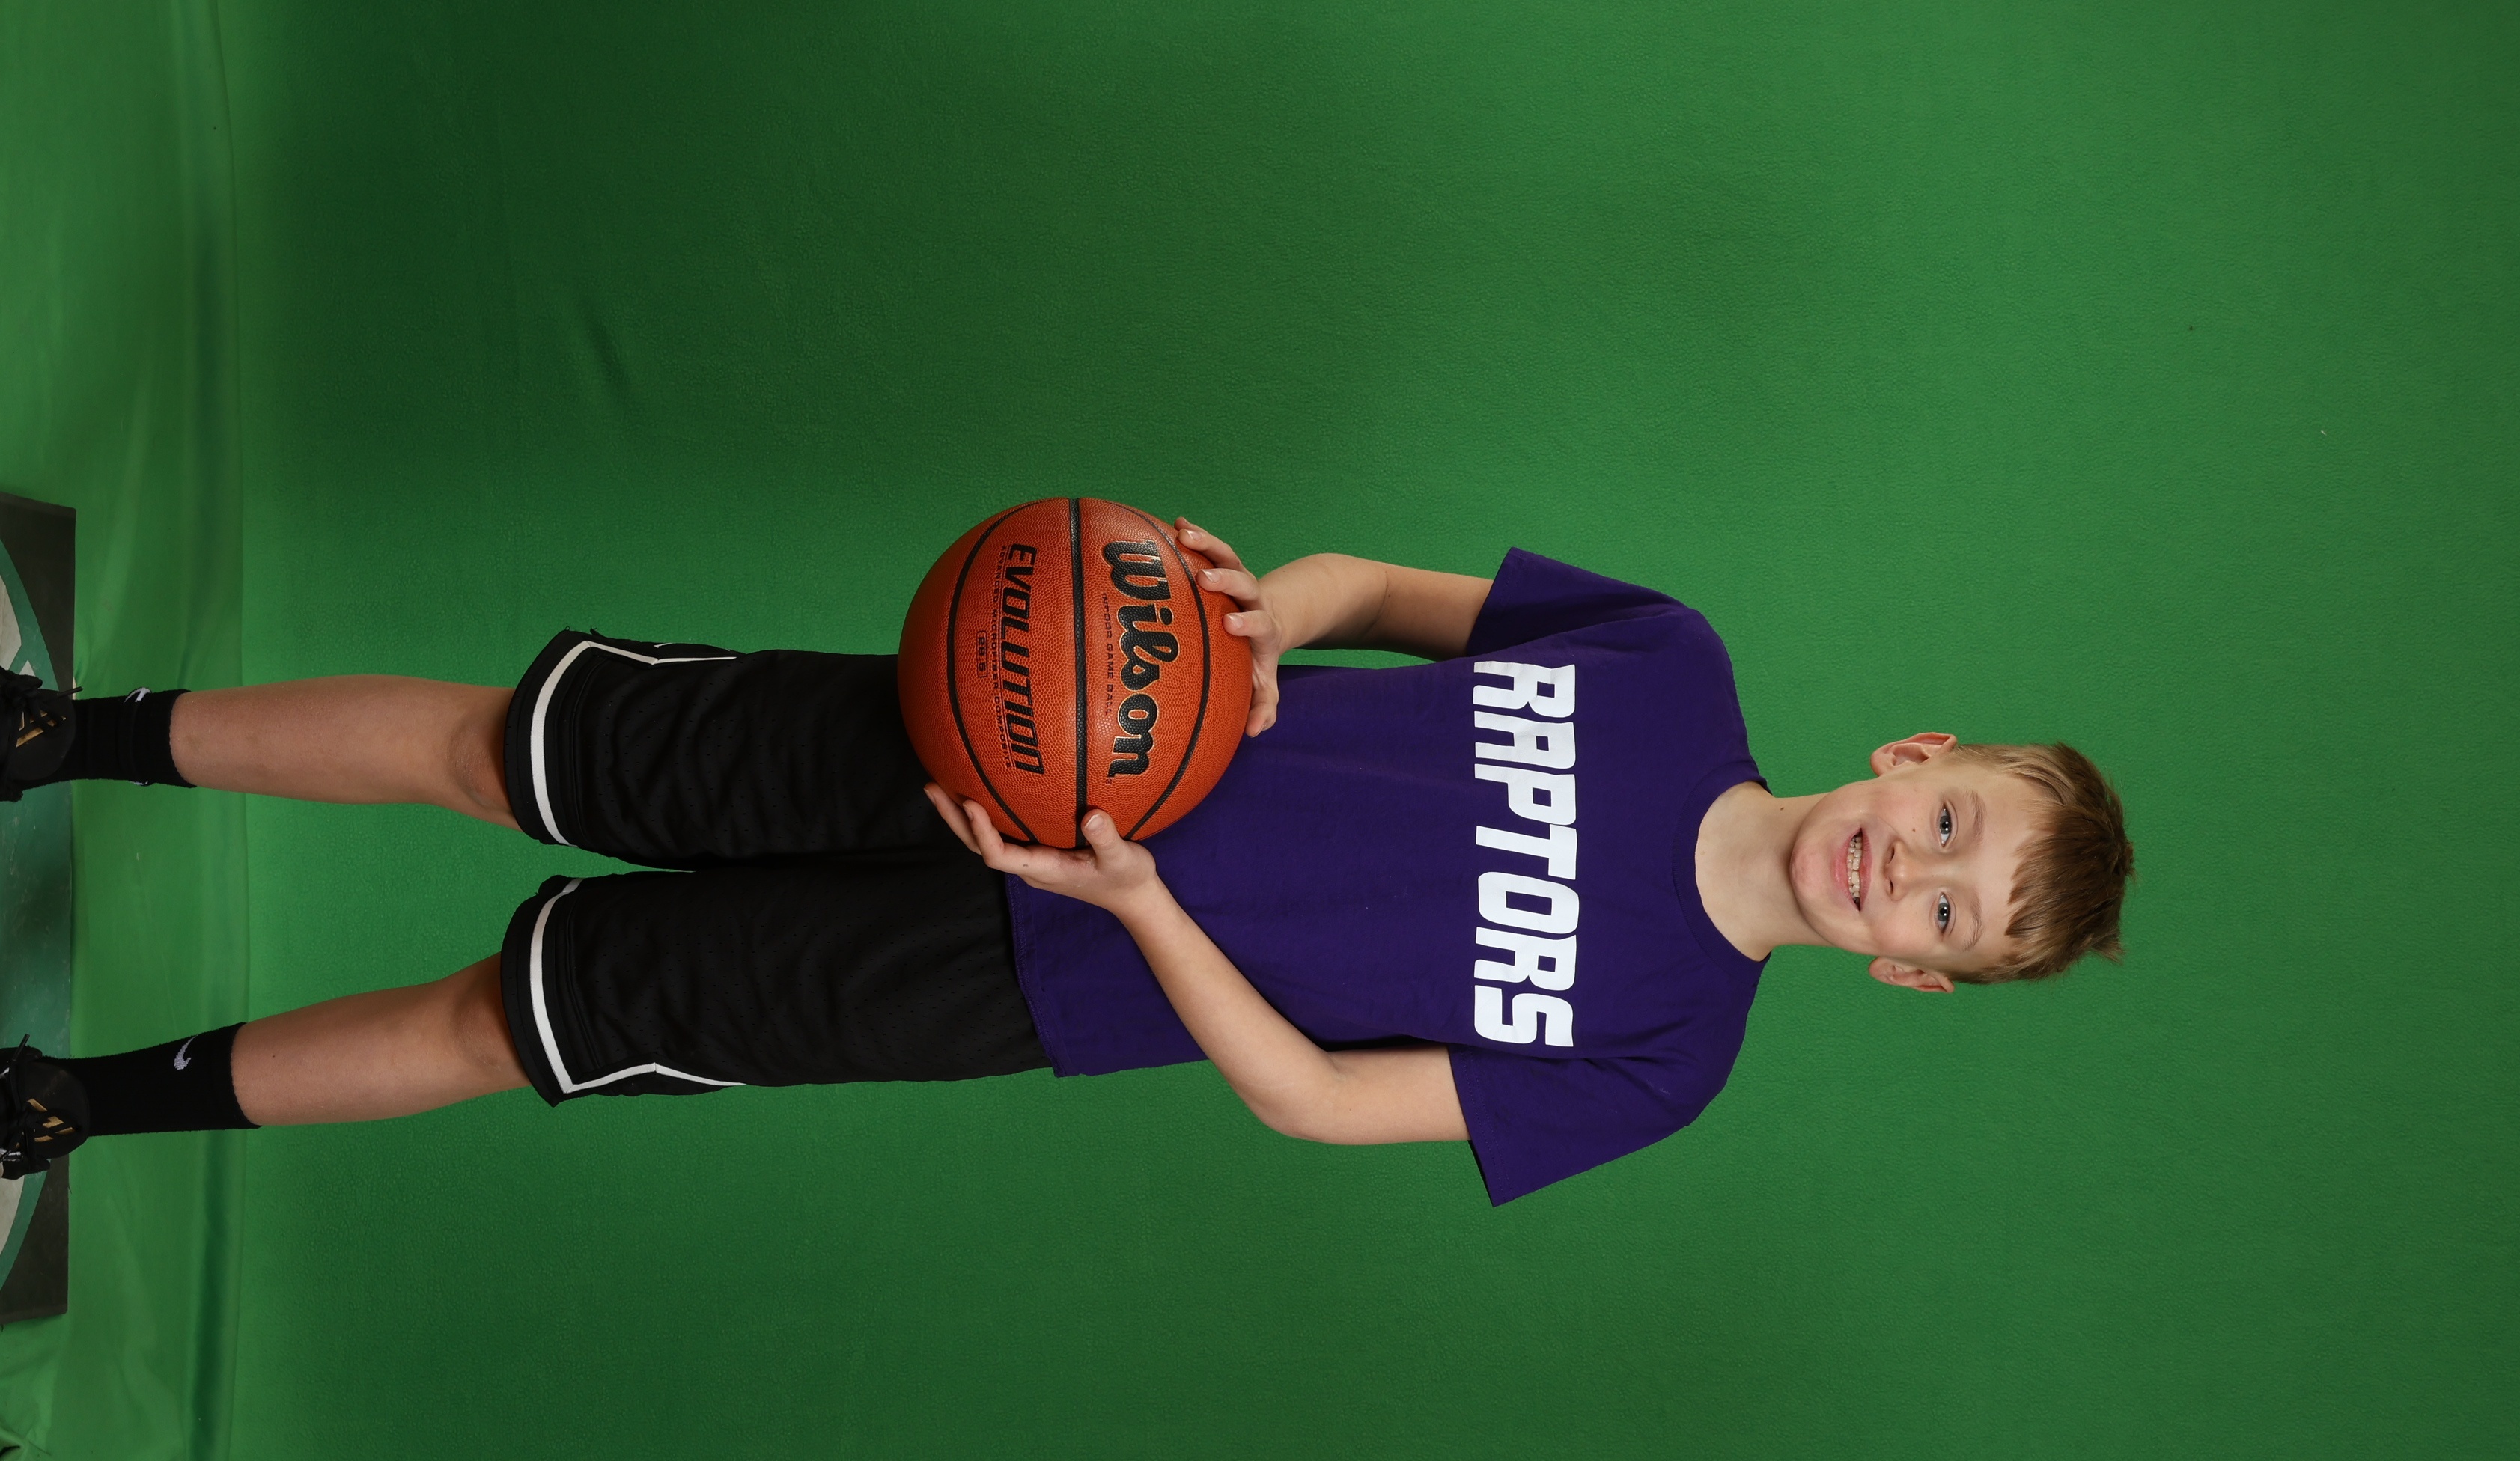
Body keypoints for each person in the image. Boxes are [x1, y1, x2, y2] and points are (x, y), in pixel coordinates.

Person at [0, 525, 2132, 1202]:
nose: (1909, 872)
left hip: (1030, 971)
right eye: (1951, 822)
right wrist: (1257, 617)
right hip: (991, 729)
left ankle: (73, 1104)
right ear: (1917, 751)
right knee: (508, 751)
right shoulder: (1668, 663)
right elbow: (1374, 589)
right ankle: (55, 734)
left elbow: (1316, 1103)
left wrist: (1136, 908)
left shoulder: (1669, 1055)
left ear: (1914, 977)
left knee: (512, 1023)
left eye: (1948, 917)